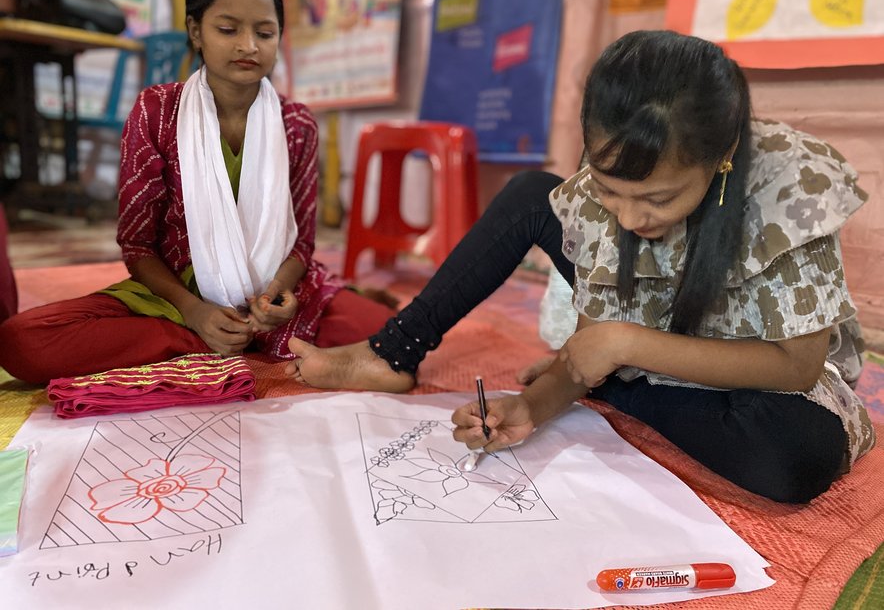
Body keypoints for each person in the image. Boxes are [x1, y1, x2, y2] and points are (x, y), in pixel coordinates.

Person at [286, 30, 875, 503]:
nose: (629, 217)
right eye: (611, 191)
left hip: (751, 361)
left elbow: (796, 368)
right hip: (642, 343)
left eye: (659, 199)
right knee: (529, 195)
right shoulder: (604, 198)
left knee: (793, 455)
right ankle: (394, 351)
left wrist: (622, 348)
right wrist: (532, 409)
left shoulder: (787, 186)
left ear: (720, 160)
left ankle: (624, 388)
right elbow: (598, 327)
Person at [0, 0, 392, 384]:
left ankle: (232, 340)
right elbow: (138, 247)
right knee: (22, 342)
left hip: (273, 302)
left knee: (399, 335)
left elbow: (302, 245)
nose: (249, 46)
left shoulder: (296, 124)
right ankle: (206, 338)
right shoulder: (157, 111)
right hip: (176, 298)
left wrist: (278, 294)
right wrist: (195, 312)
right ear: (195, 31)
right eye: (228, 29)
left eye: (265, 32)